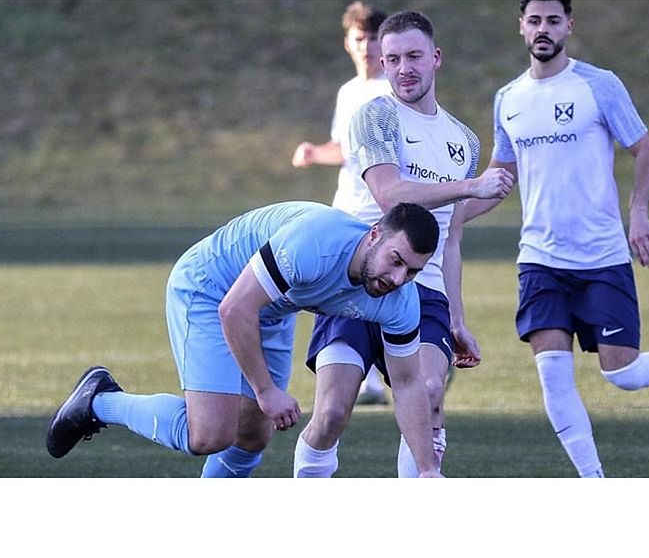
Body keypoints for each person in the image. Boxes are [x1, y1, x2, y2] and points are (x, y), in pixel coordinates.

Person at [459, 0, 649, 477]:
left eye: (553, 21)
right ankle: (593, 479)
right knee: (552, 375)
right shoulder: (508, 99)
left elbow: (643, 148)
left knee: (621, 373)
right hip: (539, 259)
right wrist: (453, 217)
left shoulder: (599, 84)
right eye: (534, 21)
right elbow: (501, 174)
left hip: (602, 256)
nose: (543, 29)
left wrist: (638, 211)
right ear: (521, 27)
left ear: (568, 27)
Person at [46, 200, 445, 478]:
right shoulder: (316, 242)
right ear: (374, 235)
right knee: (209, 435)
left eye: (411, 271)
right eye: (396, 261)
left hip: (271, 307)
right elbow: (234, 309)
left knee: (253, 435)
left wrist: (426, 470)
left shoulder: (398, 300)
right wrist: (266, 390)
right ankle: (98, 401)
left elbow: (409, 385)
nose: (397, 279)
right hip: (211, 289)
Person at [293, 10, 514, 478]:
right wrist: (470, 187)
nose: (403, 68)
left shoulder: (462, 140)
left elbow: (451, 237)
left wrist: (457, 317)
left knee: (429, 392)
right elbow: (390, 195)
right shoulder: (374, 116)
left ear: (436, 58)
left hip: (423, 289)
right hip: (358, 281)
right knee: (331, 414)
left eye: (414, 56)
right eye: (392, 59)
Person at [291, 0, 393, 405]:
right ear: (347, 43)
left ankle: (415, 362)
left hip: (384, 209)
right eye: (359, 38)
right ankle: (364, 380)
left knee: (384, 287)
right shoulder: (348, 92)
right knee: (345, 288)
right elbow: (345, 148)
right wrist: (316, 153)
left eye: (373, 38)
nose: (366, 46)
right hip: (346, 208)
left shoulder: (394, 90)